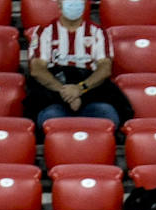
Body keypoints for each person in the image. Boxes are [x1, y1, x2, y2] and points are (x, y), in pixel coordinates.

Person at [26, 0, 131, 128]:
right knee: (51, 118)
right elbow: (37, 70)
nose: (74, 4)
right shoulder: (44, 32)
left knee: (108, 116)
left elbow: (105, 68)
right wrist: (66, 92)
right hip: (54, 94)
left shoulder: (98, 32)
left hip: (91, 92)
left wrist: (79, 89)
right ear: (59, 4)